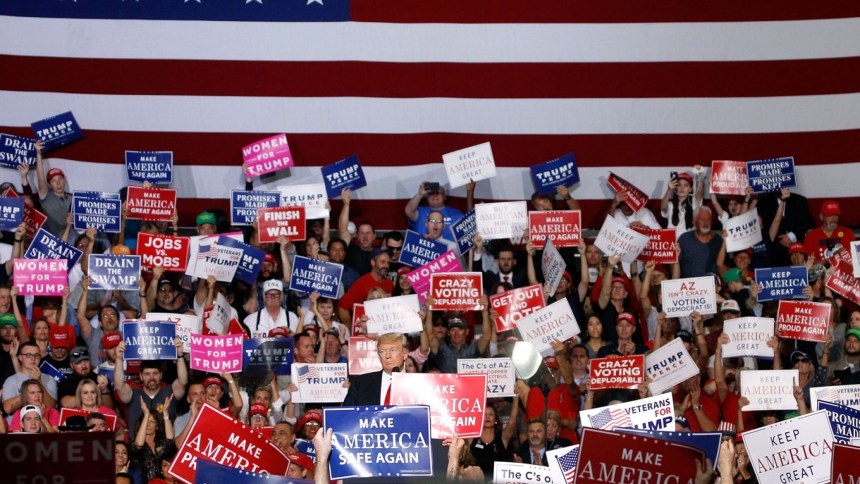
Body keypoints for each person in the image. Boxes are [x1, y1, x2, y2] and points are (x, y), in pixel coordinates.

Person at [114, 339, 187, 437]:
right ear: (141, 376)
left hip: (165, 446)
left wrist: (180, 356)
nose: (151, 378)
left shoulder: (170, 393)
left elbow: (183, 382)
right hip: (136, 445)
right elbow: (119, 385)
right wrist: (119, 359)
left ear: (161, 375)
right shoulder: (133, 395)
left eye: (155, 373)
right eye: (147, 374)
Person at [424, 297, 491, 374]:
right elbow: (430, 335)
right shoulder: (441, 348)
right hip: (446, 382)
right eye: (453, 330)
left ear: (467, 331)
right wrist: (429, 310)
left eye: (460, 329)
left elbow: (486, 336)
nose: (456, 333)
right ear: (448, 333)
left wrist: (485, 312)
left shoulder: (473, 349)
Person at [342, 332, 407, 406]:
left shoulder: (416, 383)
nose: (387, 356)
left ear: (405, 354)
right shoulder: (360, 383)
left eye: (392, 350)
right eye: (382, 351)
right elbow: (346, 412)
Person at [337, 248, 394, 324]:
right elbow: (343, 307)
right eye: (382, 262)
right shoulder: (362, 283)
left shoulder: (389, 283)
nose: (386, 265)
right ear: (373, 262)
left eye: (388, 262)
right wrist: (350, 329)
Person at [3, 341, 58, 415]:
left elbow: (51, 406)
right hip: (17, 421)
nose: (33, 358)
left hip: (42, 420)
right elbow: (8, 408)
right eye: (28, 355)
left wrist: (39, 382)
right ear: (20, 358)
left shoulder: (49, 379)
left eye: (36, 355)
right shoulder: (11, 380)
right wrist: (29, 391)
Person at [130, 394, 176, 482]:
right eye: (146, 420)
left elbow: (170, 441)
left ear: (157, 426)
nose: (148, 424)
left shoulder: (161, 442)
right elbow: (139, 444)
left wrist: (165, 413)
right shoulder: (133, 441)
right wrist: (146, 414)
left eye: (152, 421)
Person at [35, 141, 72, 238]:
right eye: (54, 180)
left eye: (60, 179)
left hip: (76, 234)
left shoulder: (73, 199)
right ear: (49, 185)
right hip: (57, 237)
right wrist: (38, 154)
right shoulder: (46, 197)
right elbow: (41, 180)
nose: (58, 182)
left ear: (64, 181)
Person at [470, 403, 517, 479]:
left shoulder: (502, 438)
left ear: (496, 420)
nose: (487, 417)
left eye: (491, 414)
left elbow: (512, 423)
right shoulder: (472, 437)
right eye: (484, 414)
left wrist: (516, 398)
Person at [678, 207, 723, 278]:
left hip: (712, 283)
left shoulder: (719, 240)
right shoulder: (684, 239)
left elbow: (723, 266)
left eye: (708, 219)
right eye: (702, 219)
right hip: (688, 283)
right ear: (694, 221)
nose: (706, 222)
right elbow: (674, 263)